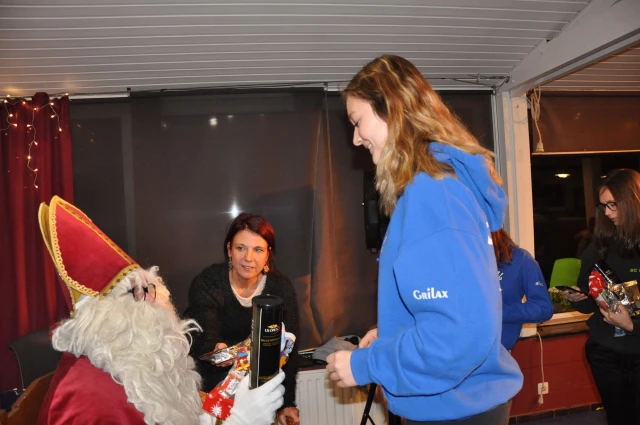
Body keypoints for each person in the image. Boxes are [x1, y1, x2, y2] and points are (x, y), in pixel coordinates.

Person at [325, 55, 523, 424]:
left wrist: (366, 364)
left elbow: (456, 337)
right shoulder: (440, 189)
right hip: (460, 401)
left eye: (357, 121)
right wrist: (394, 331)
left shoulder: (434, 194)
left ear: (392, 109)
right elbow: (454, 310)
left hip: (455, 409)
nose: (355, 138)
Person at [37, 196, 285, 425]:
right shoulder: (84, 396)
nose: (155, 301)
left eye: (150, 288)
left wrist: (208, 419)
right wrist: (238, 421)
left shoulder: (134, 367)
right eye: (136, 292)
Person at [184, 213, 300, 425]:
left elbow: (288, 352)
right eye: (241, 248)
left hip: (260, 394)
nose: (249, 258)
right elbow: (204, 340)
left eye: (258, 250)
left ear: (268, 254)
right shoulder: (208, 282)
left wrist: (287, 403)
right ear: (229, 250)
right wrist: (215, 351)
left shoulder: (280, 289)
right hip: (211, 393)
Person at [560, 168, 640, 425]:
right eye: (603, 206)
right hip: (606, 353)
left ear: (632, 201)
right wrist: (577, 298)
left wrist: (631, 325)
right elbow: (590, 303)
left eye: (613, 204)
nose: (607, 212)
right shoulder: (597, 249)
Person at [491, 229, 554, 350]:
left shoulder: (519, 259)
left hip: (499, 350)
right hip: (458, 347)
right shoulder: (461, 258)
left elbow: (543, 308)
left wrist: (497, 312)